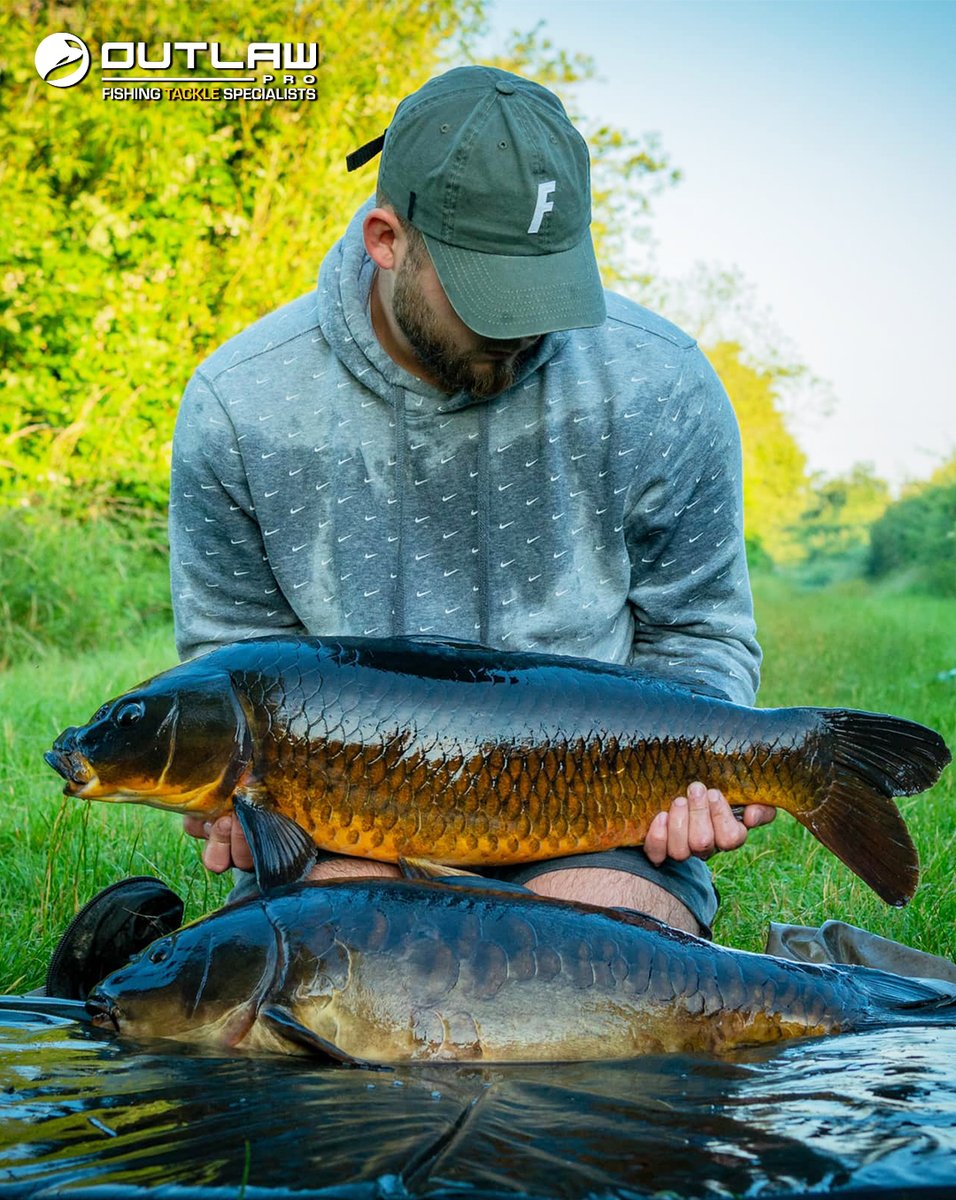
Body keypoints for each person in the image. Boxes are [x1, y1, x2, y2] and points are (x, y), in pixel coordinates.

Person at [169, 64, 775, 940]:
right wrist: (231, 792)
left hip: (597, 814)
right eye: (491, 297)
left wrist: (697, 779)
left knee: (582, 986)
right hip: (350, 818)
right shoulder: (242, 403)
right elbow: (233, 657)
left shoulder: (661, 382)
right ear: (387, 238)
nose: (526, 328)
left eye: (546, 290)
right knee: (345, 978)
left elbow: (700, 629)